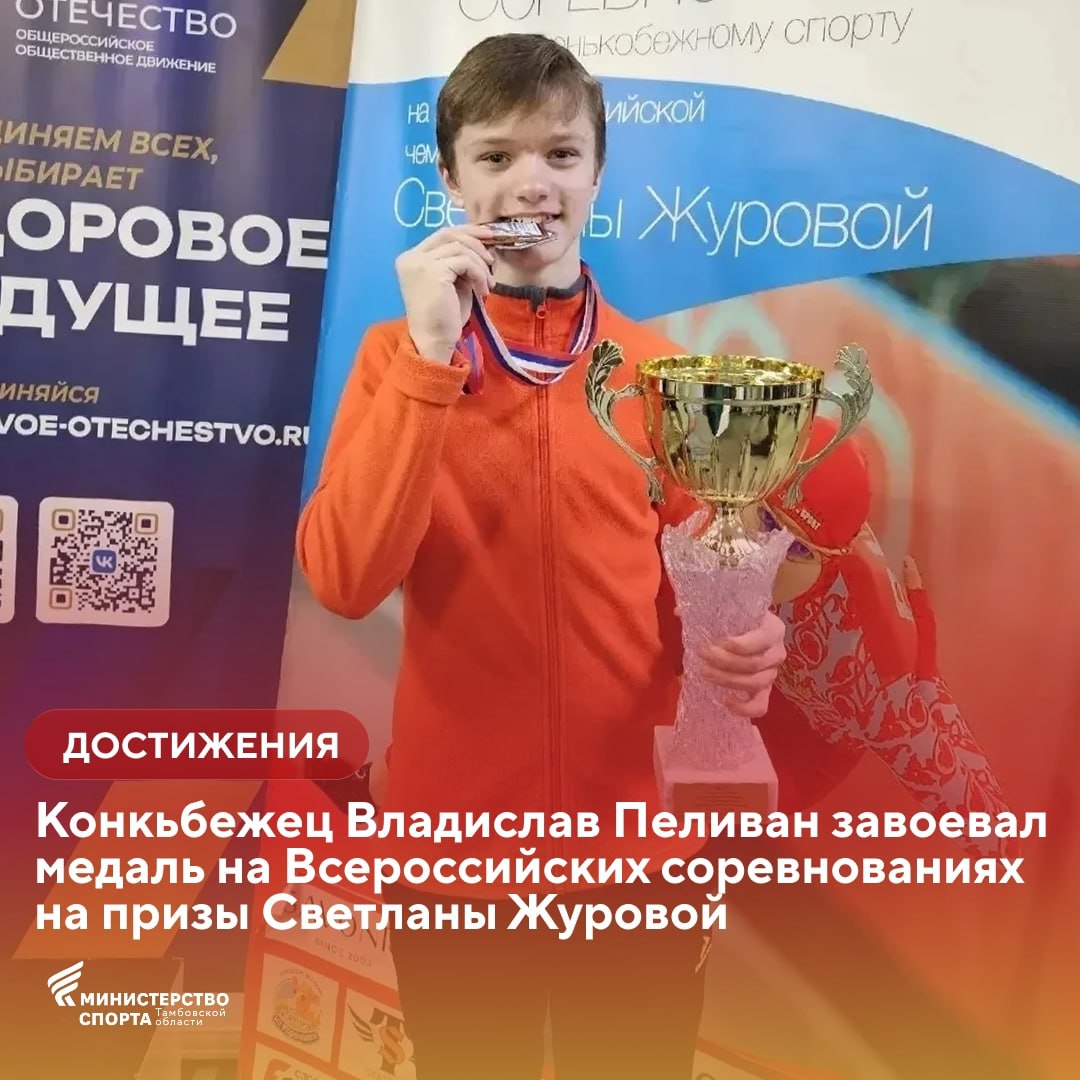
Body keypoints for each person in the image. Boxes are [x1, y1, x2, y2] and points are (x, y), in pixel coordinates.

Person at [296, 33, 793, 1080]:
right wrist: (432, 357)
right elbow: (343, 580)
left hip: (641, 857)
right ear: (451, 179)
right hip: (455, 861)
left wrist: (746, 645)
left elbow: (707, 599)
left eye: (562, 154)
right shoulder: (397, 359)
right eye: (498, 155)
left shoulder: (663, 374)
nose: (533, 183)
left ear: (597, 174)